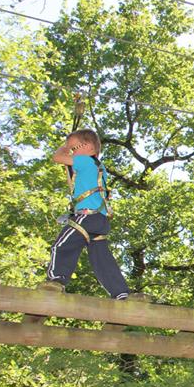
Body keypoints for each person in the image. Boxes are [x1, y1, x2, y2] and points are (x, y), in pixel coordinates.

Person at [43, 128, 130, 300]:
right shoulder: (97, 167)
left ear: (90, 147)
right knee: (101, 259)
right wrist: (71, 147)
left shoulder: (84, 161)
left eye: (74, 148)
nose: (72, 152)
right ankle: (121, 292)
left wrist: (64, 148)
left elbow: (57, 157)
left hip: (86, 217)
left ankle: (55, 280)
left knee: (61, 246)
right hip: (99, 220)